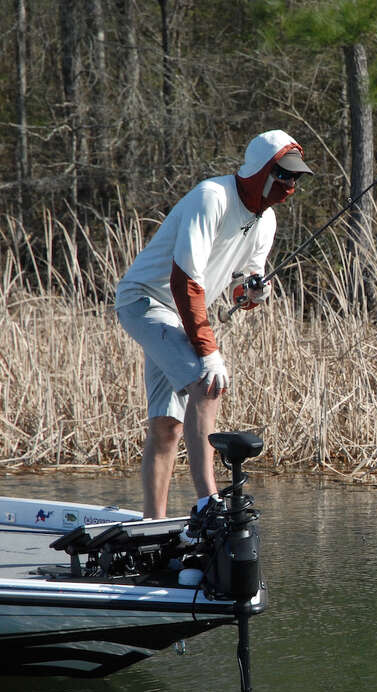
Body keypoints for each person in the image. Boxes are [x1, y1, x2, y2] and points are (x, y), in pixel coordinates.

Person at [115, 130, 312, 519]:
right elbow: (184, 281)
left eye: (296, 178)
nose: (290, 184)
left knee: (167, 427)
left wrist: (252, 294)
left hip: (179, 315)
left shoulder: (266, 222)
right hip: (144, 301)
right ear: (260, 171)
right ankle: (208, 502)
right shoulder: (212, 197)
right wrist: (208, 351)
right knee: (209, 384)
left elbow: (241, 284)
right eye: (284, 174)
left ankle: (153, 524)